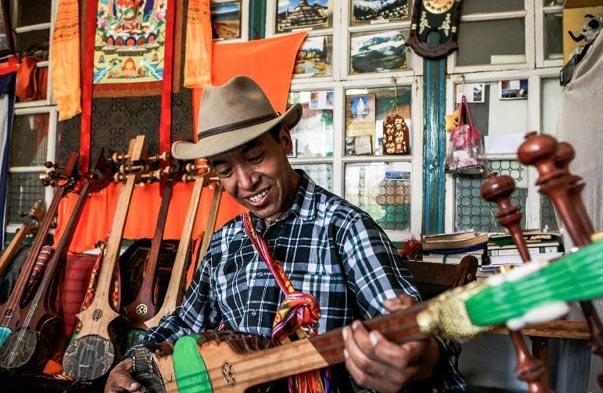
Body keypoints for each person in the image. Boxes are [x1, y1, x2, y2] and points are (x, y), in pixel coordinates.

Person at [105, 76, 466, 393]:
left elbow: (415, 335)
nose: (245, 182)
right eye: (225, 169)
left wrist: (423, 356)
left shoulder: (346, 228)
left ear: (285, 141)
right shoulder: (224, 243)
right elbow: (187, 320)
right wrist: (131, 362)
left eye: (256, 157)